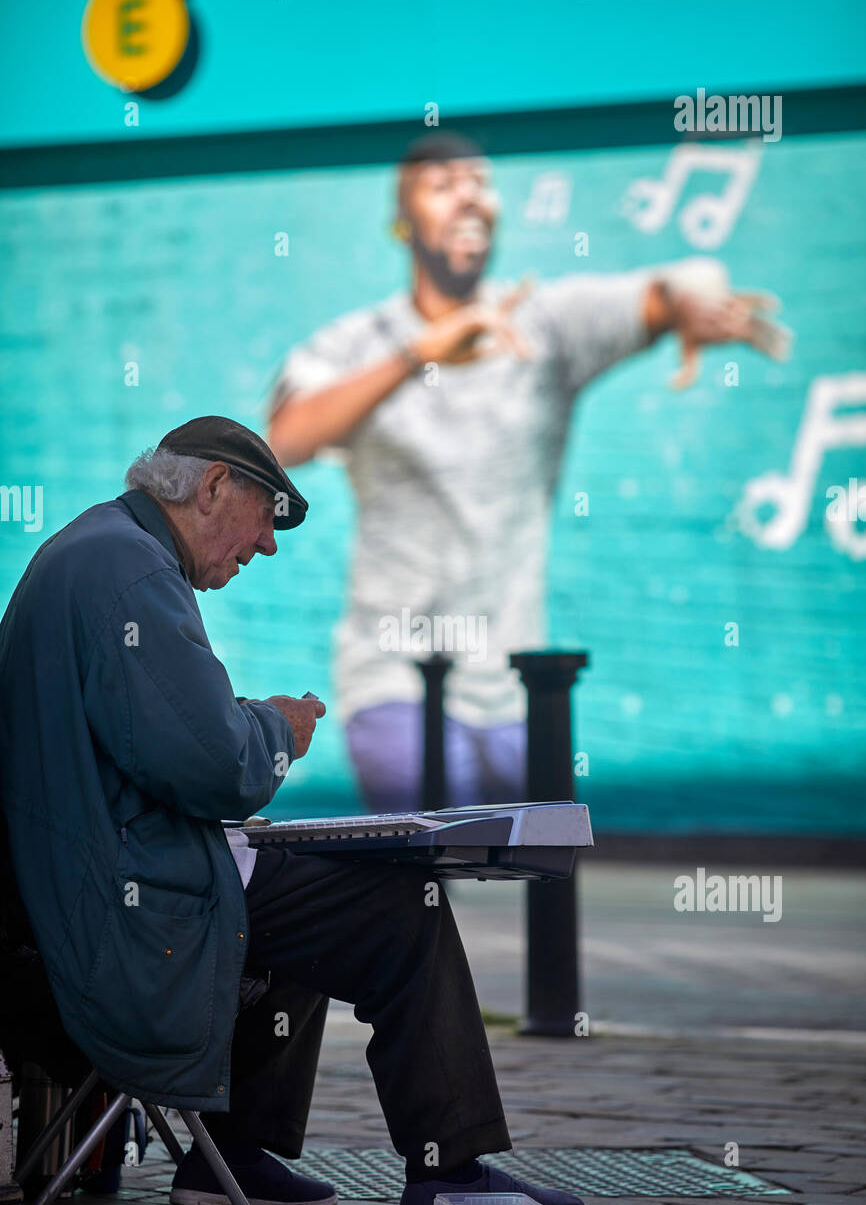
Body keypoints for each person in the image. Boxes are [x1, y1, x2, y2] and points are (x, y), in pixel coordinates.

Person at [0, 415, 587, 1205]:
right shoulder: (130, 572)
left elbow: (157, 739)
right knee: (396, 905)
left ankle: (229, 1154)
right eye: (265, 518)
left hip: (83, 889)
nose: (267, 547)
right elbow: (215, 766)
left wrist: (244, 726)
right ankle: (447, 1171)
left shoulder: (99, 550)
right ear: (212, 488)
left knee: (307, 879)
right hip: (113, 917)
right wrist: (277, 728)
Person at [268, 132, 790, 812]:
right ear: (403, 222)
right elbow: (284, 438)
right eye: (442, 184)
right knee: (420, 883)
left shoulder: (548, 326)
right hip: (395, 678)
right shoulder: (359, 343)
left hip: (519, 684)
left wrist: (696, 299)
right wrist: (413, 356)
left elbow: (675, 282)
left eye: (480, 184)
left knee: (548, 880)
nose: (469, 197)